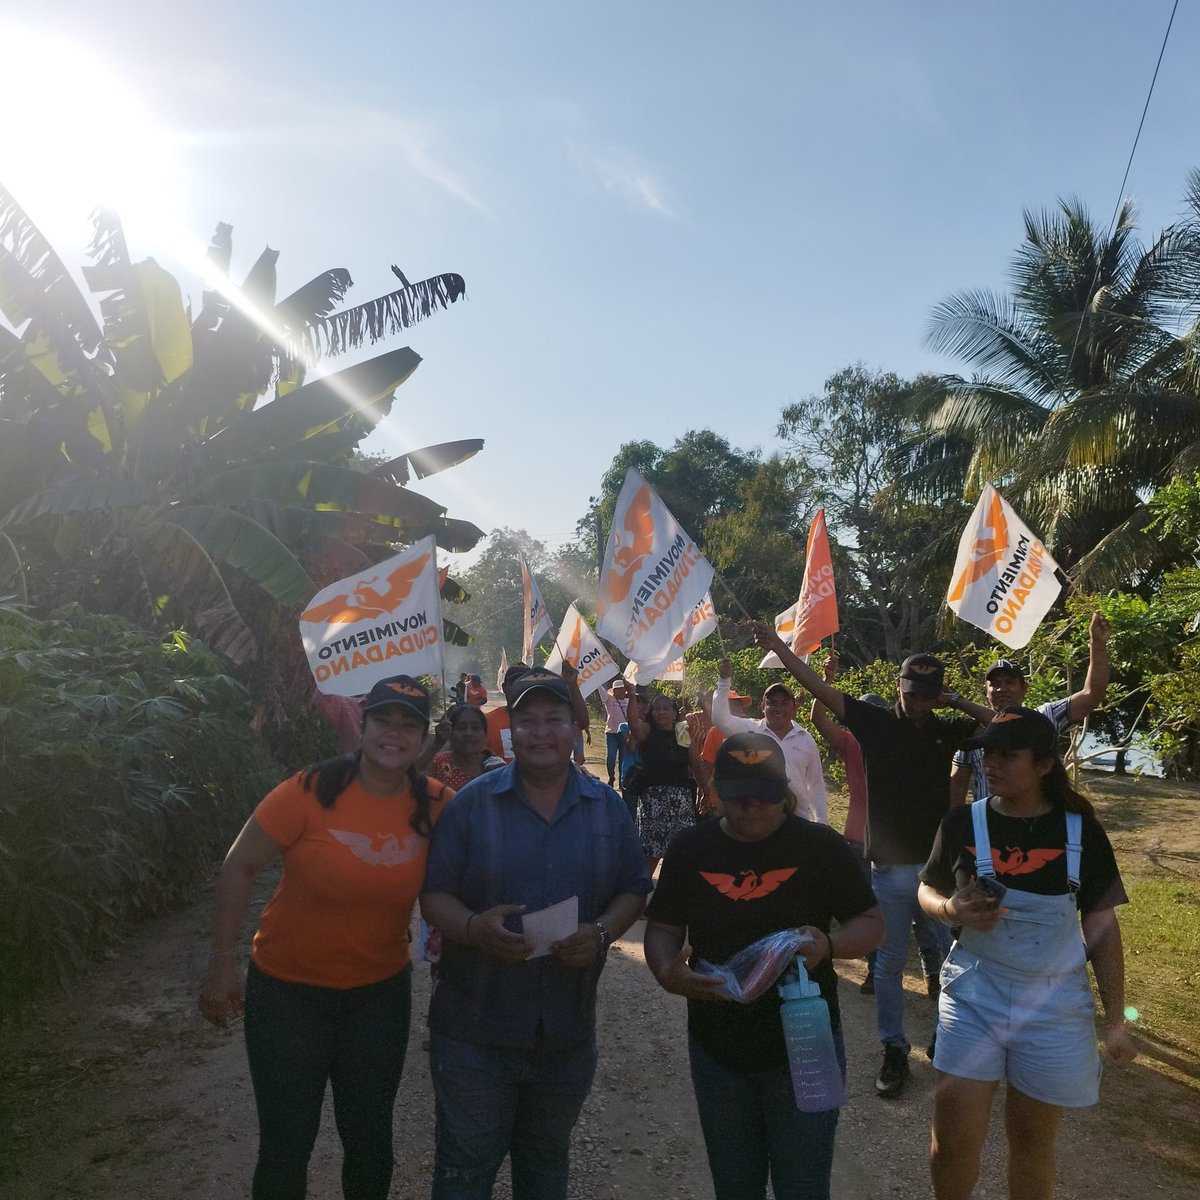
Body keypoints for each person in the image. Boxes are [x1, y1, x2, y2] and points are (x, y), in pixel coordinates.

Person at [198, 675, 450, 1200]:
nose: (394, 733)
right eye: (384, 720)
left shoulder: (438, 806)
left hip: (378, 996)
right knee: (288, 1141)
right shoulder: (309, 790)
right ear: (364, 726)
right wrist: (223, 965)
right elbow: (239, 866)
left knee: (370, 1139)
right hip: (287, 993)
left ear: (424, 739)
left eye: (409, 725)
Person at [420, 667, 652, 1200]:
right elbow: (434, 896)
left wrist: (598, 933)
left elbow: (633, 890)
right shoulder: (471, 806)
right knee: (464, 1168)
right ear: (511, 732)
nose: (542, 732)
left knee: (545, 1166)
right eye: (528, 721)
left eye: (555, 719)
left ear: (575, 729)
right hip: (473, 1031)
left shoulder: (606, 809)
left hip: (565, 1035)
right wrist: (474, 928)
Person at [749, 621, 993, 1099]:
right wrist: (779, 646)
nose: (918, 703)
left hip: (938, 875)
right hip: (890, 872)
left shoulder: (948, 730)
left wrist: (958, 701)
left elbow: (1012, 725)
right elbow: (817, 687)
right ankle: (894, 1049)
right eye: (912, 693)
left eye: (927, 695)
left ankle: (945, 1038)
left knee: (949, 960)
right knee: (886, 966)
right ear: (899, 690)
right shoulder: (876, 723)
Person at [644, 732, 884, 1200]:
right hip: (718, 1042)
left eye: (764, 798)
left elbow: (872, 923)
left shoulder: (819, 847)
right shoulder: (691, 849)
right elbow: (664, 928)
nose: (751, 808)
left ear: (785, 793)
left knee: (803, 1183)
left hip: (804, 1040)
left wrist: (829, 944)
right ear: (716, 791)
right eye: (738, 798)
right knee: (734, 1183)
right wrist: (666, 972)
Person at [917, 706, 1137, 1200]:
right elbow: (925, 890)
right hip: (974, 997)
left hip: (1053, 1010)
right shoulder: (961, 823)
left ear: (1044, 765)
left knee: (1033, 1145)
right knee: (951, 1144)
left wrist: (1115, 1019)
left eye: (1006, 755)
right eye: (986, 754)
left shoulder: (1080, 830)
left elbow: (1101, 926)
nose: (991, 764)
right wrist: (950, 909)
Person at [809, 653, 944, 999]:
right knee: (904, 915)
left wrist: (828, 681)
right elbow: (821, 718)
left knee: (883, 914)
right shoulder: (858, 740)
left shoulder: (862, 740)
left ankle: (903, 972)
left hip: (872, 837)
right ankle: (920, 972)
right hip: (869, 838)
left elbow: (819, 718)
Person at [951, 611, 1111, 804]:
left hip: (1038, 824)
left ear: (1024, 688)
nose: (1001, 688)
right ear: (985, 690)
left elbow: (1091, 694)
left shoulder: (1044, 718)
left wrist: (1098, 645)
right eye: (995, 684)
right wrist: (956, 826)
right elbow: (958, 782)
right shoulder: (973, 734)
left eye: (1010, 682)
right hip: (989, 828)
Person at [712, 658, 828, 824]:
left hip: (798, 819)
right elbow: (720, 719)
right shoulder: (750, 731)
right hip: (760, 820)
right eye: (772, 703)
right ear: (762, 707)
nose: (778, 709)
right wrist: (724, 681)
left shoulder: (805, 738)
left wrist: (822, 822)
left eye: (784, 703)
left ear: (794, 707)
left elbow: (815, 784)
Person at [626, 690, 707, 872]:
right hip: (653, 803)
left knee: (681, 854)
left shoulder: (682, 732)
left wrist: (705, 792)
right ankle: (640, 896)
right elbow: (633, 723)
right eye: (657, 709)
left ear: (674, 713)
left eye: (666, 709)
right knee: (650, 857)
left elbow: (696, 762)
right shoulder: (648, 730)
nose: (661, 712)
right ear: (651, 712)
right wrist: (632, 694)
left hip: (681, 802)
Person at [428, 703, 506, 789]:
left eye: (475, 728)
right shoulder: (438, 764)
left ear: (485, 735)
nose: (468, 733)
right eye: (461, 728)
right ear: (450, 733)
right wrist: (437, 744)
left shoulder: (497, 768)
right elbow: (414, 779)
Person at [600, 678, 631, 787]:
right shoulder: (609, 699)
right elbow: (600, 689)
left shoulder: (629, 701)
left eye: (623, 689)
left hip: (624, 733)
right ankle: (611, 777)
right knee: (611, 758)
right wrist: (597, 679)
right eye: (620, 689)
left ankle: (621, 781)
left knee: (623, 759)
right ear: (614, 690)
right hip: (611, 733)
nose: (622, 691)